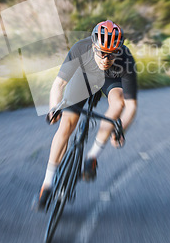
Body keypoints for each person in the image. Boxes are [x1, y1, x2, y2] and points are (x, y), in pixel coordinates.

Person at [35, 19, 137, 210]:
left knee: (119, 102)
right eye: (102, 53)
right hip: (84, 80)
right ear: (93, 45)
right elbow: (59, 84)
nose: (106, 59)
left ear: (119, 50)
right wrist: (53, 108)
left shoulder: (125, 59)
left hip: (110, 81)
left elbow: (131, 106)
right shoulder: (80, 48)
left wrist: (121, 129)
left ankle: (92, 157)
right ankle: (47, 184)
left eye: (112, 54)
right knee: (66, 125)